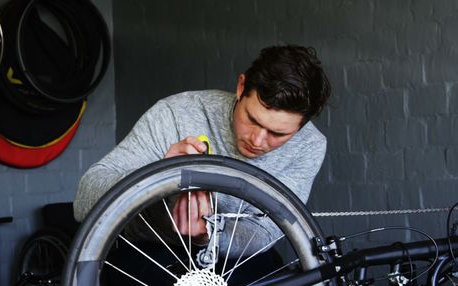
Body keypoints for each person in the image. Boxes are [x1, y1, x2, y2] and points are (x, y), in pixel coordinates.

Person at [74, 44, 330, 254]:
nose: (258, 140)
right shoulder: (175, 113)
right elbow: (84, 202)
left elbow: (268, 230)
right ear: (241, 87)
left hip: (231, 256)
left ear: (302, 125)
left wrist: (208, 236)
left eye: (278, 133)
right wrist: (155, 179)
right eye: (252, 120)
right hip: (152, 250)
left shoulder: (309, 145)